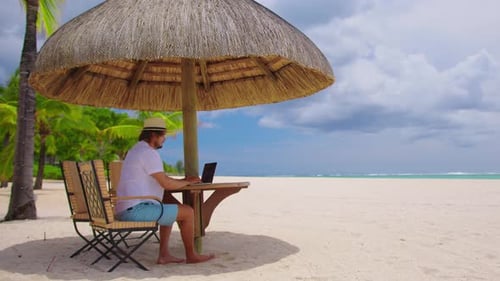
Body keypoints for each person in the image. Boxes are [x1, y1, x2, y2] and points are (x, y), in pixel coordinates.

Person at [114, 117, 214, 264]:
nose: (164, 139)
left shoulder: (136, 149)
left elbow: (160, 179)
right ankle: (192, 255)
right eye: (163, 135)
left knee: (169, 208)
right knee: (187, 212)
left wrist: (182, 182)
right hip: (135, 210)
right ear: (153, 135)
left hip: (124, 208)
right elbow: (166, 183)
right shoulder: (148, 153)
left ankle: (164, 255)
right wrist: (187, 182)